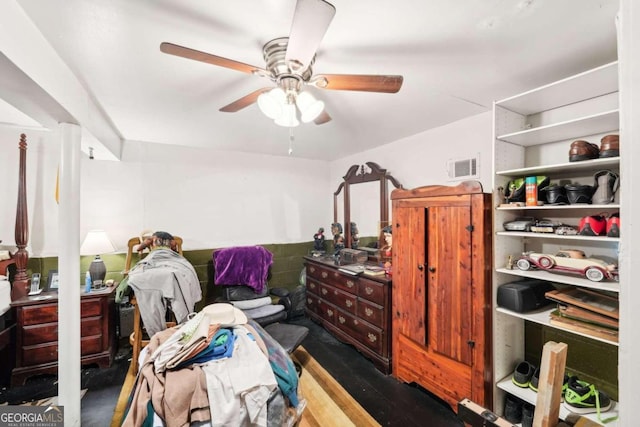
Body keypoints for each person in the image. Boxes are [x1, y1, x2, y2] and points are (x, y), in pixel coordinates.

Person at [116, 231, 202, 337]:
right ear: (172, 244)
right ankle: (184, 328)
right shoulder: (171, 246)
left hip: (146, 281)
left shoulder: (152, 242)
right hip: (169, 277)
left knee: (145, 275)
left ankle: (157, 336)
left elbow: (139, 248)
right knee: (177, 276)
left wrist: (146, 243)